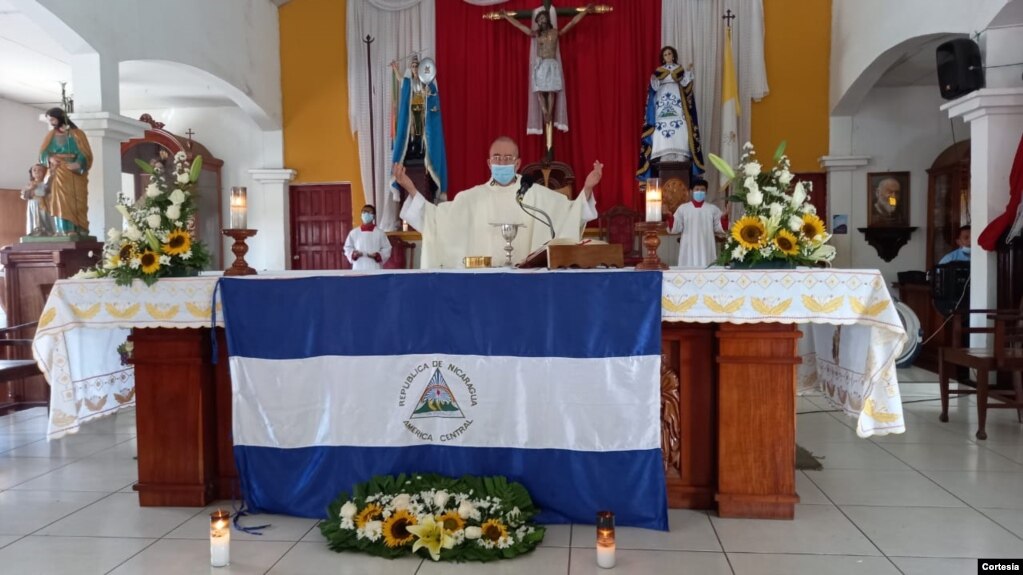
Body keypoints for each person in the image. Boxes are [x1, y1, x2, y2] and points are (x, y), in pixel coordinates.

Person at [394, 136, 602, 268]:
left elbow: (570, 212)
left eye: (508, 158)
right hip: (485, 285)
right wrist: (411, 189)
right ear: (489, 163)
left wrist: (588, 188)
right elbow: (436, 220)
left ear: (518, 163)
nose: (502, 162)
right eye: (497, 158)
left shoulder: (536, 195)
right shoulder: (471, 198)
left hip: (527, 285)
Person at [501, 5, 591, 136]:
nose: (541, 21)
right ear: (537, 22)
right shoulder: (536, 34)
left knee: (551, 90)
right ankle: (545, 112)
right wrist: (506, 16)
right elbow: (520, 26)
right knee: (540, 90)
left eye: (543, 18)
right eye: (539, 19)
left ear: (547, 19)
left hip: (551, 63)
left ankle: (549, 112)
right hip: (541, 64)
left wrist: (585, 12)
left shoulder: (555, 32)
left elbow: (572, 23)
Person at [637, 46, 705, 181]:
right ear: (663, 57)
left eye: (669, 54)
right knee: (660, 128)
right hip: (662, 102)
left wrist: (688, 72)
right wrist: (654, 81)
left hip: (677, 102)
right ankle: (663, 152)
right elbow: (654, 87)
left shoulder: (679, 69)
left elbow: (686, 85)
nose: (667, 56)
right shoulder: (658, 71)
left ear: (673, 55)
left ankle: (680, 152)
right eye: (665, 54)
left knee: (681, 126)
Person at [390, 54, 447, 203]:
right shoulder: (409, 82)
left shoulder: (426, 82)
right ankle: (413, 149)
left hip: (422, 116)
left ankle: (422, 152)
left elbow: (433, 97)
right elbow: (400, 80)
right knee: (411, 136)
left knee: (421, 135)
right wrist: (395, 68)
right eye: (413, 67)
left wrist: (428, 94)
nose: (415, 69)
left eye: (417, 66)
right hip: (411, 115)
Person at [39, 107, 92, 236]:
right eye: (49, 120)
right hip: (57, 171)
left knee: (76, 199)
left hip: (74, 172)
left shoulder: (77, 134)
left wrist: (78, 163)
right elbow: (42, 154)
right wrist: (50, 158)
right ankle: (63, 229)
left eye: (52, 119)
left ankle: (79, 228)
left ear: (60, 118)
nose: (51, 122)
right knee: (59, 200)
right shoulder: (50, 135)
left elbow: (86, 153)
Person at [666, 179, 725, 268]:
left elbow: (719, 226)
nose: (699, 192)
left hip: (706, 245)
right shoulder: (683, 208)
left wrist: (724, 218)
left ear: (706, 192)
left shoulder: (712, 209)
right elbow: (676, 228)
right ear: (691, 191)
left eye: (702, 190)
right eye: (697, 189)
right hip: (688, 246)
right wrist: (670, 217)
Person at [343, 205, 392, 271]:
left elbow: (387, 248)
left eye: (369, 212)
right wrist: (353, 254)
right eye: (364, 212)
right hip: (358, 267)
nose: (366, 214)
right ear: (361, 215)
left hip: (374, 266)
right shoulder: (354, 232)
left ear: (373, 216)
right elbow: (347, 247)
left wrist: (378, 255)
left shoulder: (380, 233)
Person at [20, 163, 54, 237]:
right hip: (33, 204)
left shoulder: (45, 184)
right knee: (34, 218)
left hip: (43, 204)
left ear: (44, 172)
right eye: (34, 170)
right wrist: (30, 188)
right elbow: (23, 196)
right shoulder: (29, 184)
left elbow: (49, 194)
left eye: (39, 170)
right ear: (31, 173)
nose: (36, 172)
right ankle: (34, 232)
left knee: (44, 217)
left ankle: (47, 231)